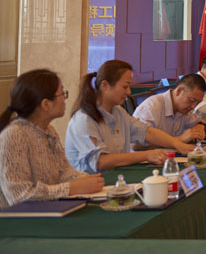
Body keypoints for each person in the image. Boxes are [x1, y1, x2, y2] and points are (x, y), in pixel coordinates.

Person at [65, 60, 195, 173]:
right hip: (89, 185)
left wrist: (176, 144)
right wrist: (147, 155)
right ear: (105, 85)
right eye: (125, 87)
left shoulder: (118, 112)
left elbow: (146, 131)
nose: (128, 92)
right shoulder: (84, 119)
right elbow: (100, 161)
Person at [0, 70, 104, 208]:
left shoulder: (49, 130)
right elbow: (19, 195)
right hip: (21, 217)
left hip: (49, 209)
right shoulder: (14, 135)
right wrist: (70, 188)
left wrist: (88, 179)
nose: (65, 98)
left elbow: (64, 172)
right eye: (62, 94)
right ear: (46, 104)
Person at [133, 74, 206, 146]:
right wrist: (178, 140)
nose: (193, 107)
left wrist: (200, 126)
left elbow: (201, 121)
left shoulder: (183, 109)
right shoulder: (151, 107)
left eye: (198, 103)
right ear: (179, 91)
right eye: (191, 100)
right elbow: (136, 145)